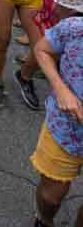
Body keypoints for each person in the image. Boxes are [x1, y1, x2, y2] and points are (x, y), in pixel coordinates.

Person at [30, 16, 83, 227]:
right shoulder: (75, 28)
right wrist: (60, 89)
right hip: (65, 130)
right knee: (50, 198)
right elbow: (42, 49)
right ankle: (44, 220)